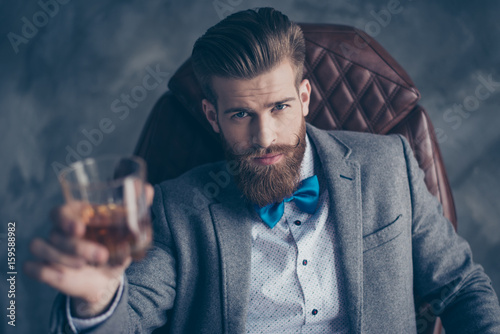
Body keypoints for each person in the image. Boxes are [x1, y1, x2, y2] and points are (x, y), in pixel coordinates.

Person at [26, 7, 500, 334]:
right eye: (240, 115)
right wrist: (98, 300)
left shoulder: (388, 166)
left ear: (306, 98)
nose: (264, 136)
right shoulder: (177, 209)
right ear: (213, 117)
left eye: (279, 107)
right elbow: (125, 321)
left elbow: (461, 286)